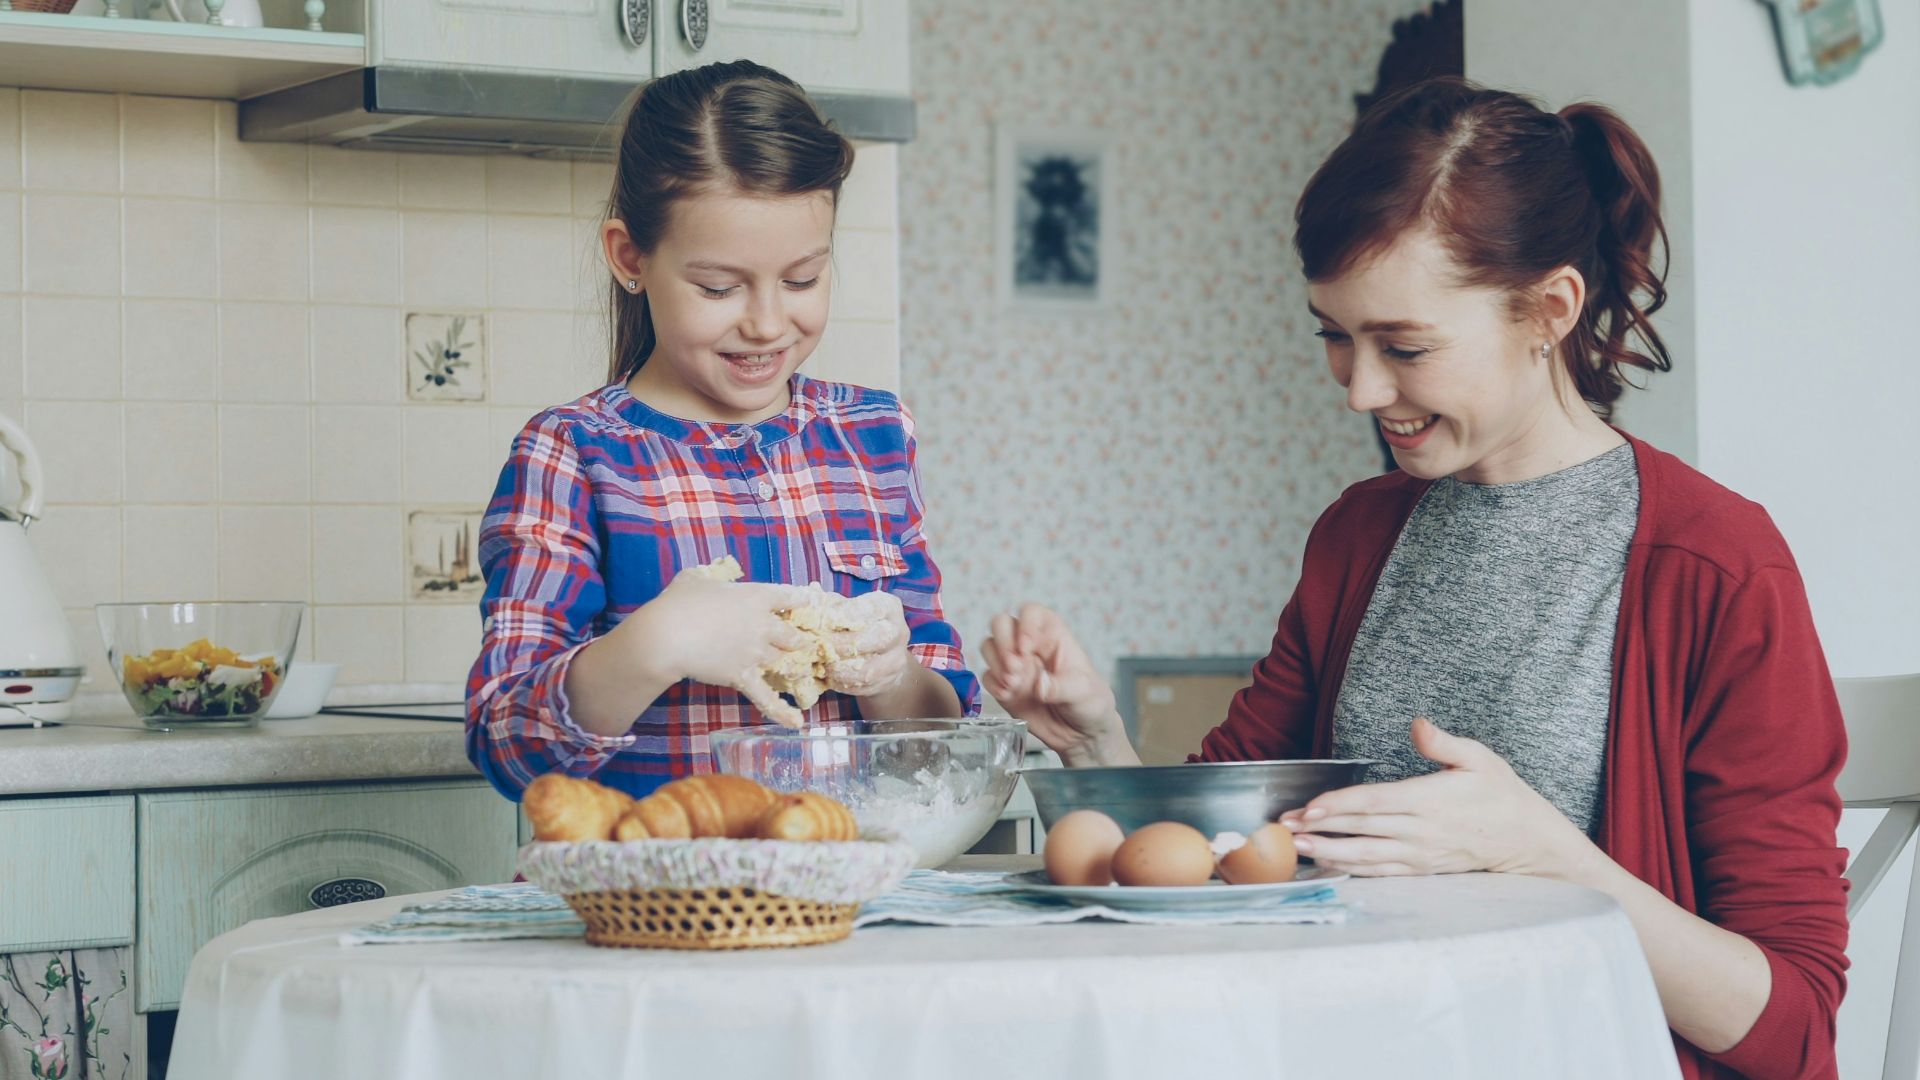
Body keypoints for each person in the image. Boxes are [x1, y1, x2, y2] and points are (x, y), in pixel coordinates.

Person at [983, 79, 1847, 1080]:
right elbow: (1220, 848)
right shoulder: (1358, 534)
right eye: (1334, 336)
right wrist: (1096, 735)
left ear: (1549, 310)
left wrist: (1539, 850)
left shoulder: (1714, 566)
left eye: (1405, 346)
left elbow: (1793, 1029)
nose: (1360, 389)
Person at [467, 60, 979, 802]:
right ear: (630, 258)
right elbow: (504, 745)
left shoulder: (873, 436)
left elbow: (938, 746)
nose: (768, 322)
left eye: (802, 279)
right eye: (719, 287)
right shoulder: (574, 453)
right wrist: (656, 644)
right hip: (653, 907)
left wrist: (895, 675)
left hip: (854, 898)